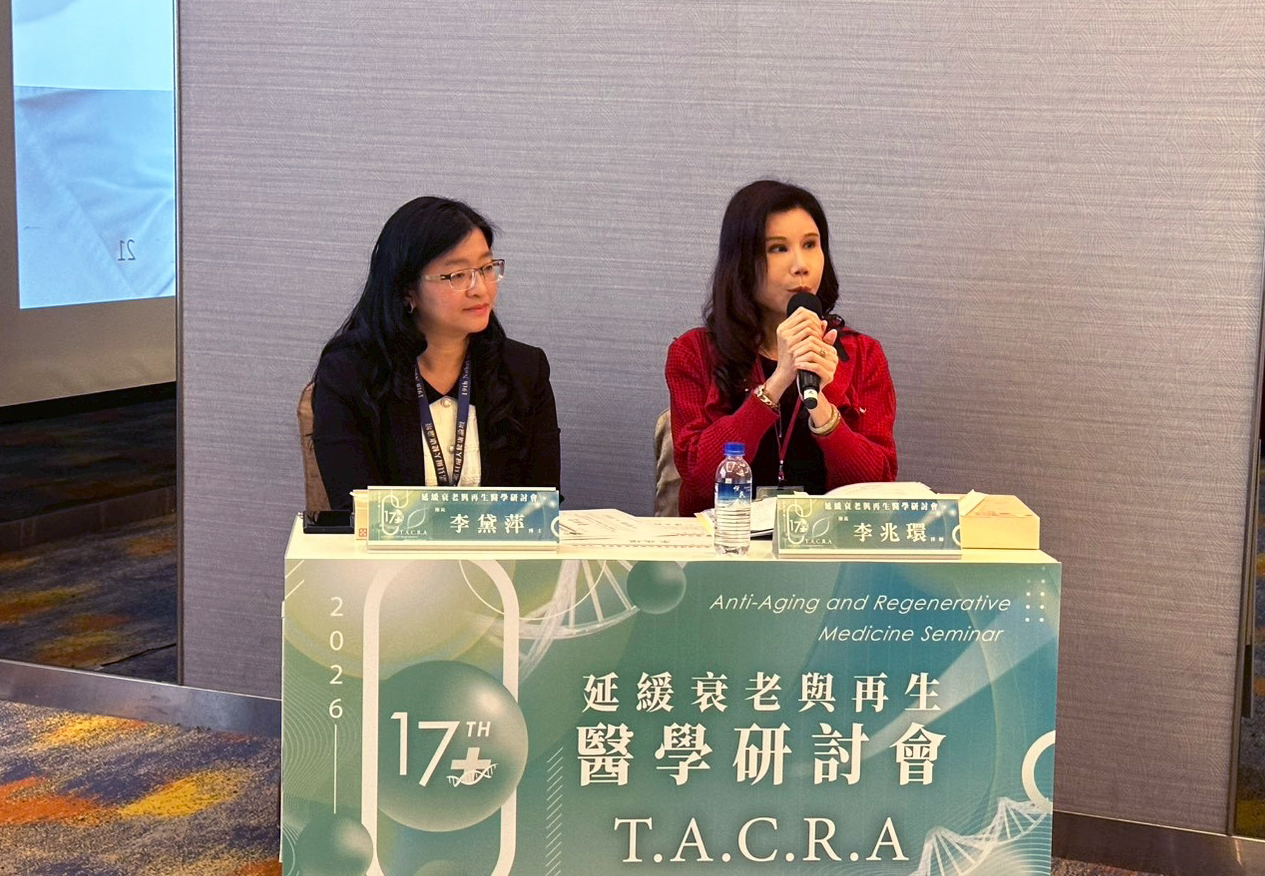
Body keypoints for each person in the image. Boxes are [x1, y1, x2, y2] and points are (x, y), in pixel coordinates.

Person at [311, 197, 560, 510]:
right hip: (390, 545)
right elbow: (358, 510)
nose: (480, 289)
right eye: (457, 275)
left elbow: (540, 508)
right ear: (407, 289)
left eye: (486, 268)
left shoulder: (524, 371)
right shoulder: (350, 375)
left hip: (496, 545)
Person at [665, 180, 897, 516]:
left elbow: (878, 487)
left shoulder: (863, 355)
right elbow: (700, 478)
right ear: (741, 261)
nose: (801, 265)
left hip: (826, 543)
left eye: (810, 244)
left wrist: (821, 405)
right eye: (778, 249)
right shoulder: (694, 353)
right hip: (726, 541)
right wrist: (778, 381)